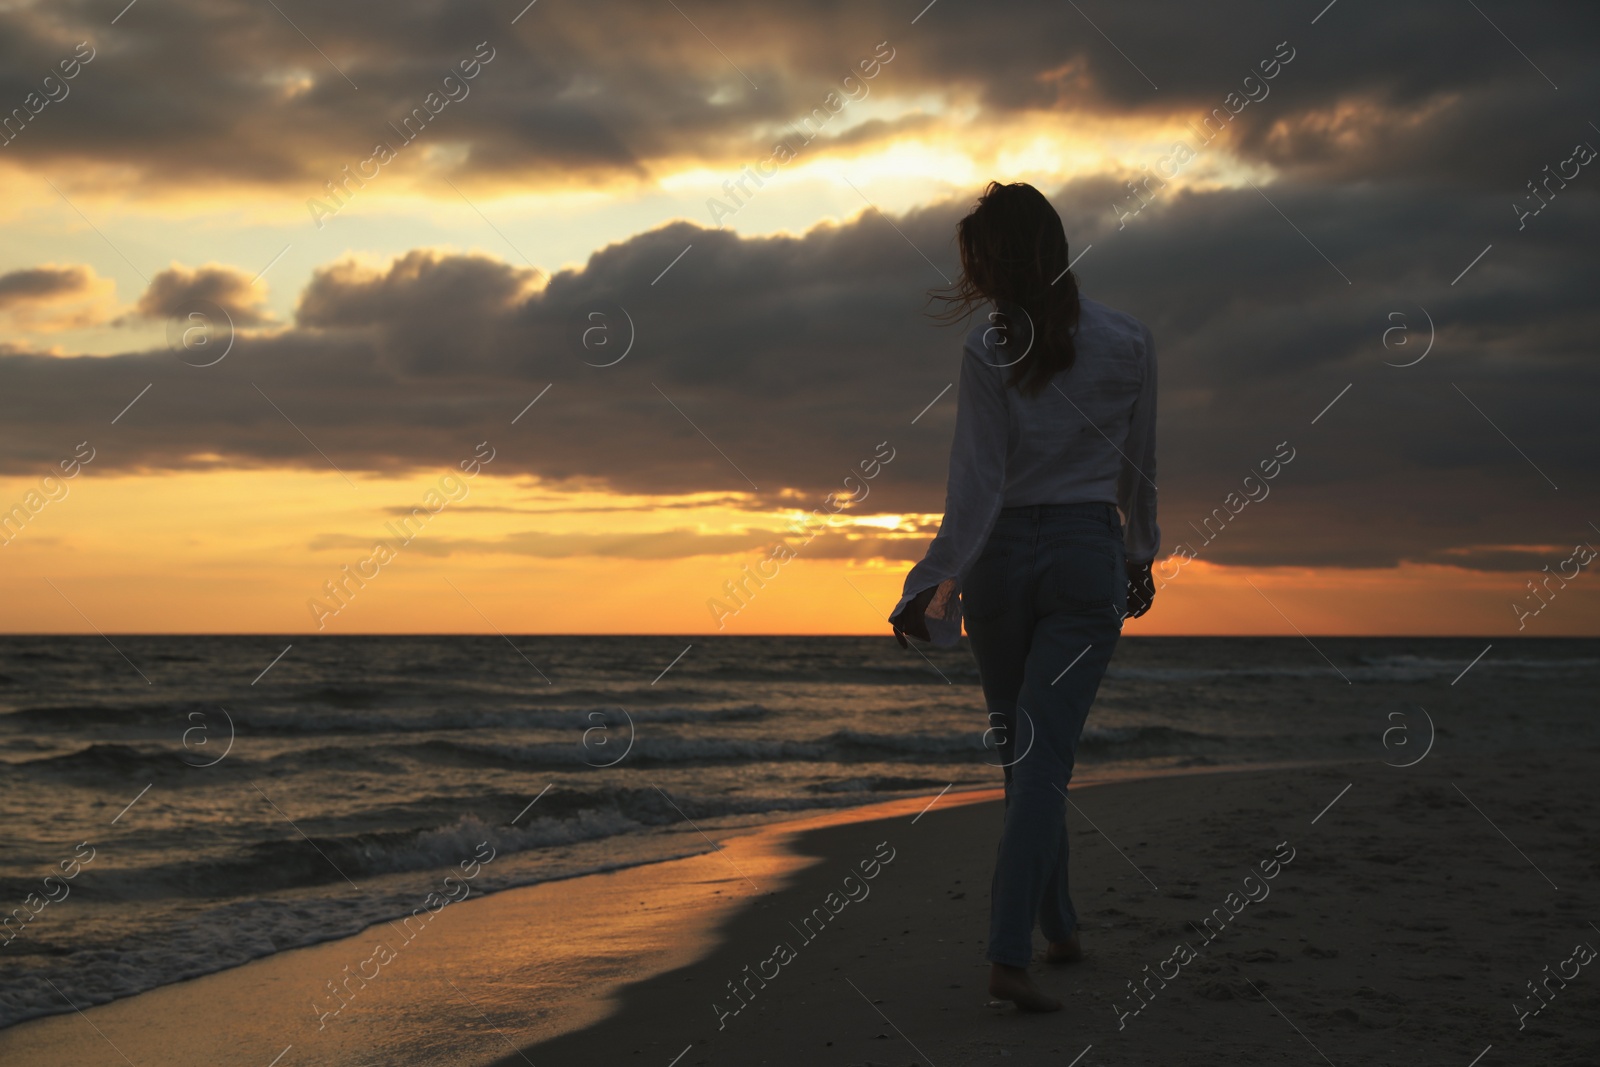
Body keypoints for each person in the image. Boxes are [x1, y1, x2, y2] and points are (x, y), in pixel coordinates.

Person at [888, 181, 1159, 1012]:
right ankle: (1024, 946)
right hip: (1084, 556)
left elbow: (975, 480)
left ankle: (1049, 933)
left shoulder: (989, 345)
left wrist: (933, 573)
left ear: (999, 262)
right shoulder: (1129, 339)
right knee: (1037, 758)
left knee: (1026, 755)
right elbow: (1137, 466)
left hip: (1001, 559)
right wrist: (1140, 552)